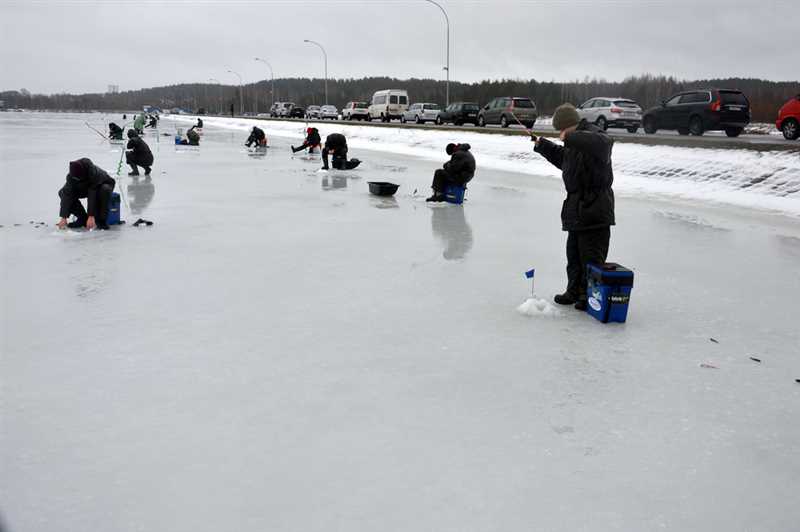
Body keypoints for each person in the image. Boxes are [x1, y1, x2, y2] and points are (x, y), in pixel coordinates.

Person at [532, 103, 615, 311]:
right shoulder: (574, 142)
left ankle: (589, 296)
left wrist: (570, 138)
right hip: (576, 208)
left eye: (562, 130)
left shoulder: (594, 135)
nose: (560, 134)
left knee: (591, 256)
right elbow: (565, 160)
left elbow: (604, 143)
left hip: (595, 208)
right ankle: (574, 291)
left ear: (571, 125)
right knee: (574, 256)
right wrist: (543, 145)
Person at [56, 158, 116, 230]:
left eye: (78, 178)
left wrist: (91, 216)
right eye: (76, 178)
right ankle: (82, 218)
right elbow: (67, 194)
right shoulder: (71, 176)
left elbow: (92, 193)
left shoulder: (92, 172)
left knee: (104, 190)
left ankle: (101, 220)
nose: (77, 179)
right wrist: (64, 217)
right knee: (62, 193)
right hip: (85, 187)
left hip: (102, 184)